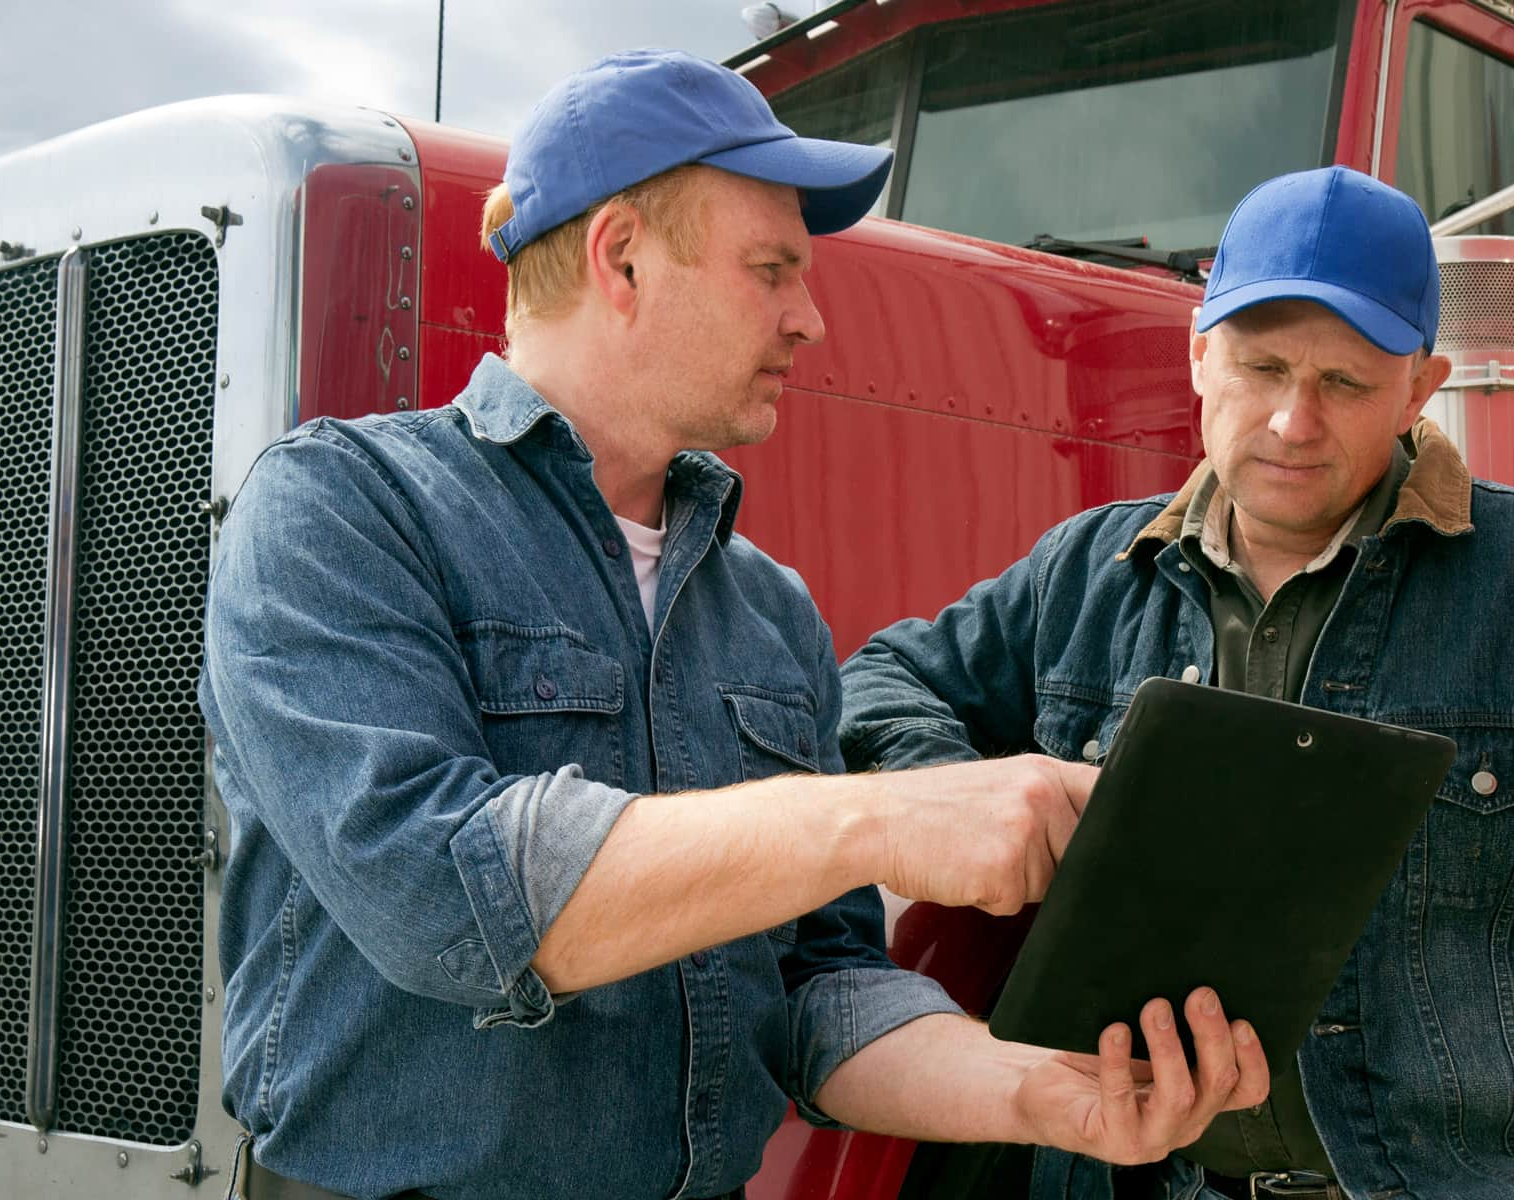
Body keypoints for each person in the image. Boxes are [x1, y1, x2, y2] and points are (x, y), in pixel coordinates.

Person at [198, 49, 1270, 1200]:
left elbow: (820, 988)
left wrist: (1037, 1093)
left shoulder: (770, 610)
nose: (810, 320)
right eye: (773, 270)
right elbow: (443, 895)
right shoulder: (340, 510)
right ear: (621, 259)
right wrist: (876, 814)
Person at [839, 166, 1514, 1200]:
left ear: (1420, 388)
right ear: (1202, 356)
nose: (1295, 422)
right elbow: (875, 681)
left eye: (1344, 382)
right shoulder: (1083, 575)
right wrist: (972, 796)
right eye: (1262, 368)